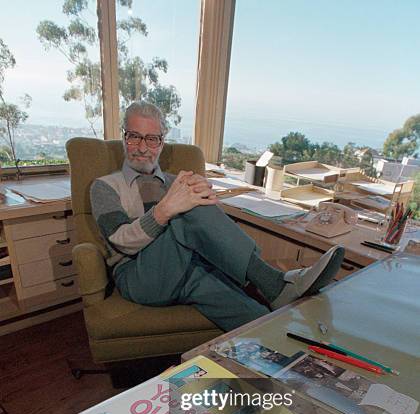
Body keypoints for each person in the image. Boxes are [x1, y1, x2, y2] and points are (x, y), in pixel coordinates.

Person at [90, 101, 344, 332]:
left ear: (162, 143)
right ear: (124, 138)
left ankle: (297, 349)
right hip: (139, 276)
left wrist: (210, 201)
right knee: (185, 207)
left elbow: (208, 236)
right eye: (134, 137)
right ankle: (274, 283)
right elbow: (120, 240)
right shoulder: (104, 186)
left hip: (187, 269)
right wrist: (167, 208)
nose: (143, 148)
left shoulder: (175, 181)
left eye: (152, 139)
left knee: (261, 325)